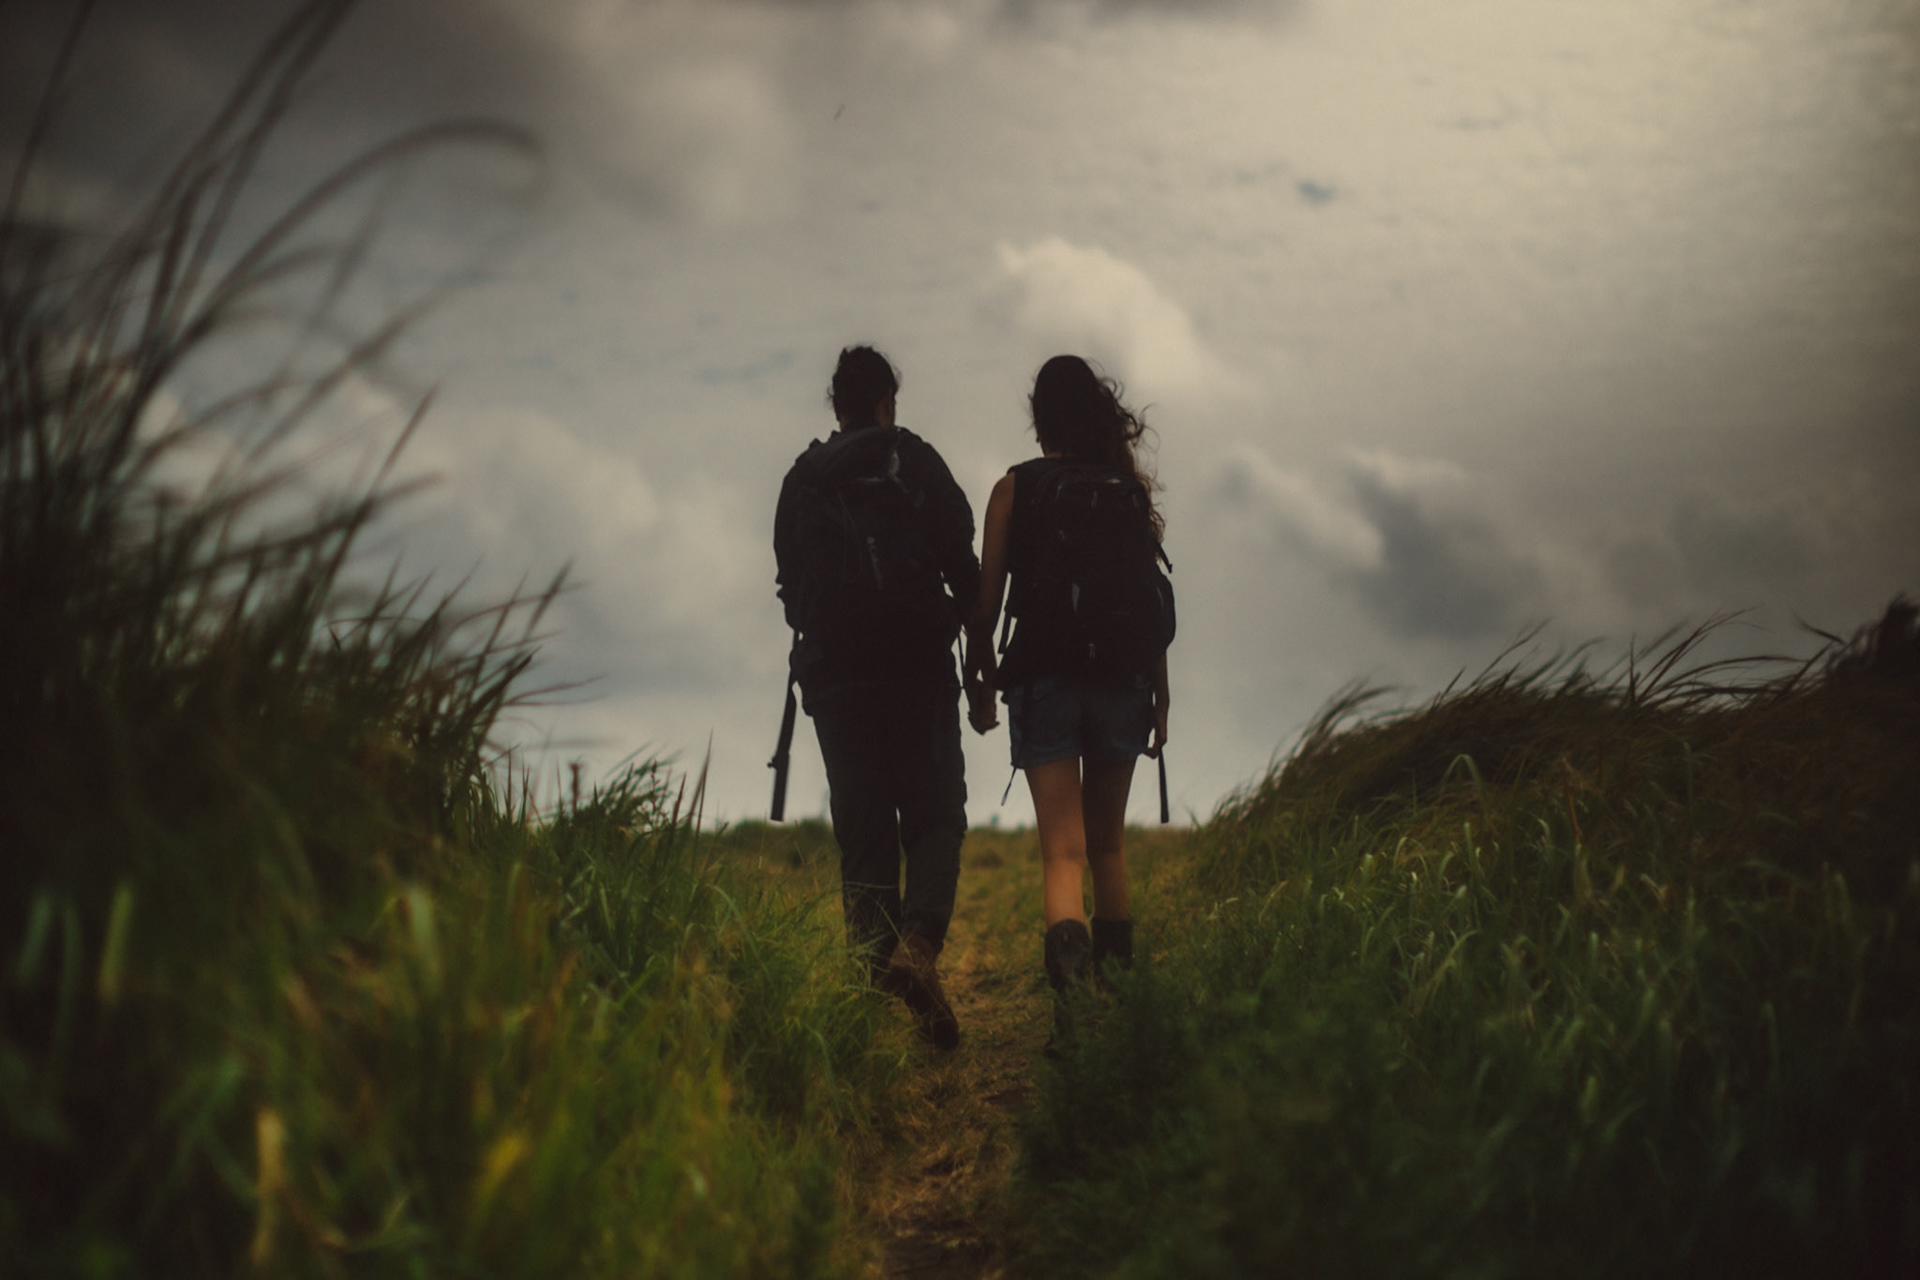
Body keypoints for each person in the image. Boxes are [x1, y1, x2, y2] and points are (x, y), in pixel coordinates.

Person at [773, 345, 980, 1049]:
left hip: (837, 683)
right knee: (935, 819)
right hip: (920, 674)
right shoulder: (916, 461)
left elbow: (791, 592)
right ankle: (917, 949)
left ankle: (870, 1028)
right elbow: (966, 569)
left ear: (836, 405)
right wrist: (979, 669)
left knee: (864, 837)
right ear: (889, 399)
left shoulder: (804, 478)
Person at [964, 354, 1171, 1052]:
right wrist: (1161, 699)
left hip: (1046, 680)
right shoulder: (1127, 492)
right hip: (1125, 681)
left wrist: (980, 676)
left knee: (1063, 853)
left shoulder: (1014, 489)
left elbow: (985, 606)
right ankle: (1122, 1009)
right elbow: (1153, 608)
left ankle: (1076, 1020)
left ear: (1040, 417)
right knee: (1109, 846)